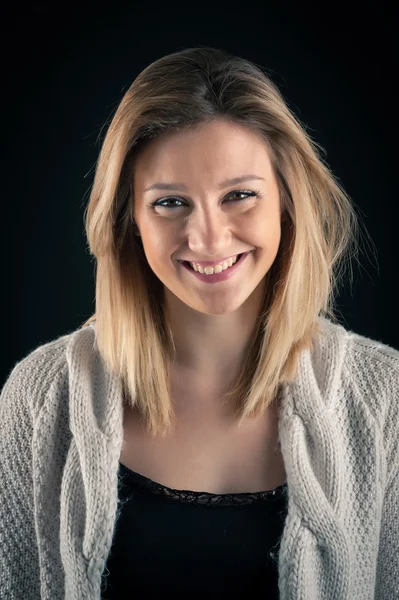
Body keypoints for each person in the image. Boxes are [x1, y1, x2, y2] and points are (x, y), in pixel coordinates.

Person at [0, 46, 398, 600]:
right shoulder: (40, 398)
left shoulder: (384, 398)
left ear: (287, 201)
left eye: (239, 196)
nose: (208, 238)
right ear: (128, 219)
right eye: (169, 203)